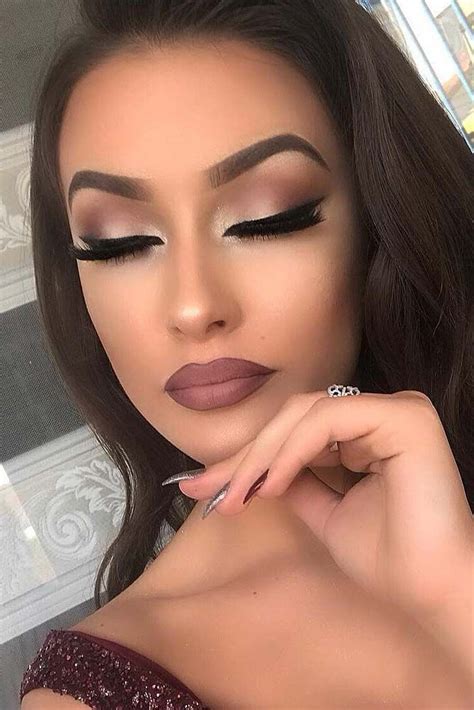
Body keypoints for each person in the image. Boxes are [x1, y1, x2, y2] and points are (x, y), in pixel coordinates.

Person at [20, 0, 473, 707]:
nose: (193, 306)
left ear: (379, 222)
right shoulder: (94, 693)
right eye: (119, 244)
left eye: (267, 219)